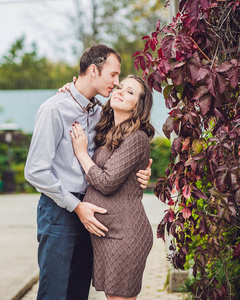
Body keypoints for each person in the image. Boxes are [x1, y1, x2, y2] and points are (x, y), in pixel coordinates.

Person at [24, 45, 152, 300]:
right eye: (114, 76)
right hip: (61, 209)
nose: (116, 84)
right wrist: (75, 206)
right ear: (94, 70)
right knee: (55, 291)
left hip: (92, 213)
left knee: (78, 291)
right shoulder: (54, 109)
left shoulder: (99, 111)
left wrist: (140, 172)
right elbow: (35, 171)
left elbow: (122, 150)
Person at [69, 75, 155, 300]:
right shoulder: (109, 131)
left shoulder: (136, 138)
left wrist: (80, 153)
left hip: (125, 234)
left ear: (138, 105)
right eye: (119, 87)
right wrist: (67, 89)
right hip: (107, 235)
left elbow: (107, 183)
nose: (119, 91)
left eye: (130, 92)